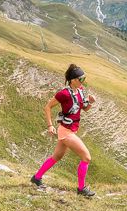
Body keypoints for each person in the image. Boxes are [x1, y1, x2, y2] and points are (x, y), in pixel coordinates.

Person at [31, 63, 98, 197]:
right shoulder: (63, 94)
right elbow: (47, 107)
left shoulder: (79, 91)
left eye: (84, 79)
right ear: (73, 80)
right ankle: (81, 189)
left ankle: (36, 178)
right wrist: (50, 125)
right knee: (86, 157)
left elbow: (83, 109)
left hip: (70, 130)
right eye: (81, 79)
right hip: (65, 131)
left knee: (56, 157)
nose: (82, 82)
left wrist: (90, 102)